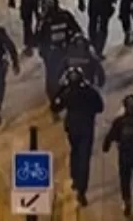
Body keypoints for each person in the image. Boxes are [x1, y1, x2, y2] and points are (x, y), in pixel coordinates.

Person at [51, 67, 105, 206]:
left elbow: (55, 107)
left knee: (75, 152)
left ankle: (75, 179)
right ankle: (82, 190)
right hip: (87, 127)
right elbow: (100, 107)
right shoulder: (90, 91)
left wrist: (60, 89)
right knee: (84, 158)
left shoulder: (67, 92)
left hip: (72, 128)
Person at [36, 0, 83, 103]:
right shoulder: (43, 20)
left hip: (67, 50)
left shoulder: (65, 15)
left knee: (69, 73)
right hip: (52, 53)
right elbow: (38, 38)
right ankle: (54, 99)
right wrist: (44, 52)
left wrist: (77, 42)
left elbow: (76, 29)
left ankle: (71, 96)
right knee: (52, 77)